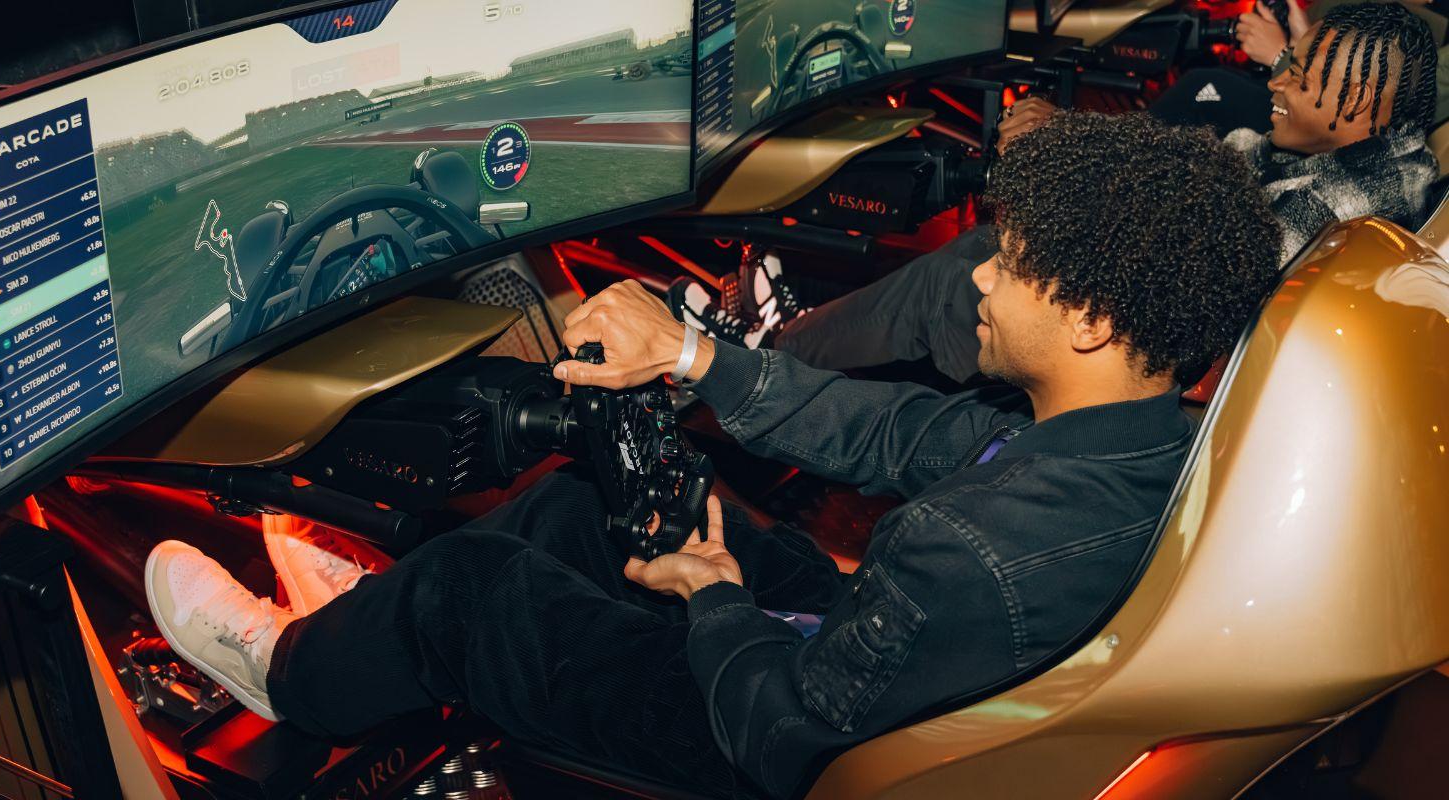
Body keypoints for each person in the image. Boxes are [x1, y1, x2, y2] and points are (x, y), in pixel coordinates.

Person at [142, 112, 1280, 799]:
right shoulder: (1148, 441)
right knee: (577, 507)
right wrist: (694, 355)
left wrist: (717, 597)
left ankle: (286, 673)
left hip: (774, 733)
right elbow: (890, 430)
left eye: (1011, 263)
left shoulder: (964, 547)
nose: (978, 275)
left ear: (1089, 319)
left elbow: (790, 736)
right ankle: (361, 633)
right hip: (875, 658)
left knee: (467, 584)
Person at [678, 2, 1440, 384]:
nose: (1276, 82)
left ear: (1362, 108)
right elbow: (1211, 167)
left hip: (1158, 358)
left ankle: (761, 357)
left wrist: (1065, 173)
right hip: (1175, 323)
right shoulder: (1367, 158)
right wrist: (1075, 143)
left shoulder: (1335, 207)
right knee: (989, 248)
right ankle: (797, 333)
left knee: (966, 279)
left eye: (1299, 77)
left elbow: (1197, 282)